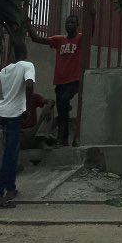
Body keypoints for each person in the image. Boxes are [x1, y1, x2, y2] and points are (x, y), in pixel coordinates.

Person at [0, 39, 36, 208]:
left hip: (3, 115)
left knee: (12, 152)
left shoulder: (5, 70)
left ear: (13, 55)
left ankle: (11, 189)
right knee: (9, 155)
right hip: (14, 115)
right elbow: (29, 85)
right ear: (26, 53)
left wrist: (1, 105)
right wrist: (28, 108)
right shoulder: (28, 66)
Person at [26, 12, 84, 146]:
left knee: (64, 101)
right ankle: (62, 138)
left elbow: (90, 33)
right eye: (67, 23)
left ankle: (62, 136)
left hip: (74, 80)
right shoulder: (59, 40)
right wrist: (28, 24)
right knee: (62, 109)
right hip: (60, 82)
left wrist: (91, 15)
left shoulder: (80, 39)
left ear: (77, 25)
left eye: (72, 23)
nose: (69, 25)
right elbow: (36, 39)